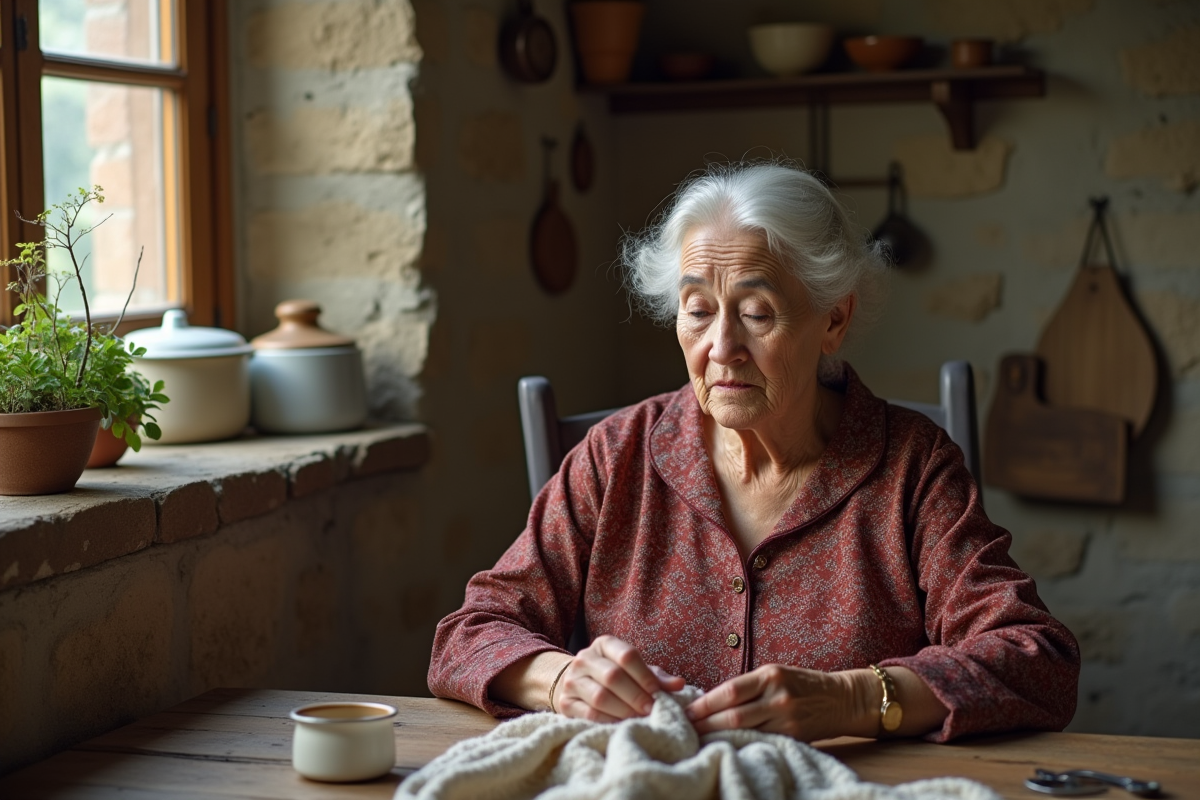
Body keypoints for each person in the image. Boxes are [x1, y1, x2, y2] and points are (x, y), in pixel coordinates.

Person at [428, 162, 1079, 742]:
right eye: (697, 310)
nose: (721, 347)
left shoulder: (912, 467)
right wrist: (561, 679)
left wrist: (855, 697)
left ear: (833, 319)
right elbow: (469, 635)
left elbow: (1037, 659)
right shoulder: (615, 457)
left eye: (757, 313)